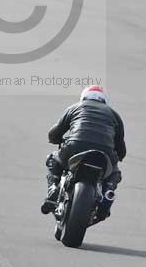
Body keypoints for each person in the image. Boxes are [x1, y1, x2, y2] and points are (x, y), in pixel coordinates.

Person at [41, 85, 126, 219]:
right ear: (104, 101)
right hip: (105, 152)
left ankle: (52, 189)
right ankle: (107, 194)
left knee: (53, 159)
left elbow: (55, 132)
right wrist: (119, 156)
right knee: (114, 172)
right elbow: (121, 147)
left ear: (83, 97)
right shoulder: (114, 115)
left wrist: (55, 139)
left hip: (75, 146)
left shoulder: (75, 107)